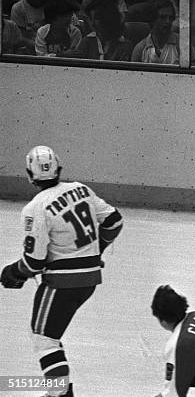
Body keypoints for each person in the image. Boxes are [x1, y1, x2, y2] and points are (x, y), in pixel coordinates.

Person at [0, 146, 123, 397]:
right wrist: (94, 252)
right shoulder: (81, 189)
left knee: (43, 338)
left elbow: (34, 262)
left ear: (29, 175)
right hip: (89, 281)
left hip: (61, 284)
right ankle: (57, 390)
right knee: (51, 335)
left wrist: (13, 272)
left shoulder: (36, 208)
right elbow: (114, 221)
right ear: (59, 168)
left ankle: (60, 394)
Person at [63, 0, 132, 60]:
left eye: (97, 18)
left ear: (109, 18)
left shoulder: (124, 45)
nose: (92, 23)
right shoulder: (88, 41)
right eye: (91, 18)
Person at [131, 0, 195, 64]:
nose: (168, 21)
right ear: (153, 20)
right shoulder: (140, 49)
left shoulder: (182, 45)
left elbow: (193, 68)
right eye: (162, 17)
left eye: (170, 18)